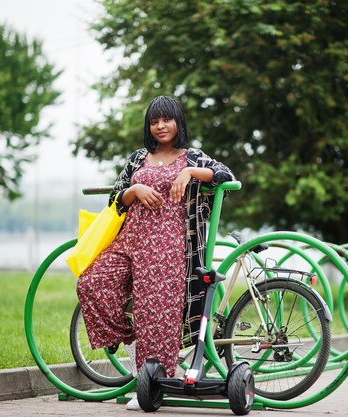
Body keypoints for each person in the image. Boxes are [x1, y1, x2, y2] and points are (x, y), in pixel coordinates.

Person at [76, 95, 235, 410]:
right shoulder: (138, 158)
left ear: (178, 123)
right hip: (130, 237)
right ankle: (135, 341)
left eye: (167, 120)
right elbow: (115, 196)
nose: (161, 126)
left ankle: (150, 387)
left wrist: (190, 174)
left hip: (168, 245)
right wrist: (133, 191)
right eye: (154, 121)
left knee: (158, 316)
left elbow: (224, 175)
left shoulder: (191, 157)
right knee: (90, 282)